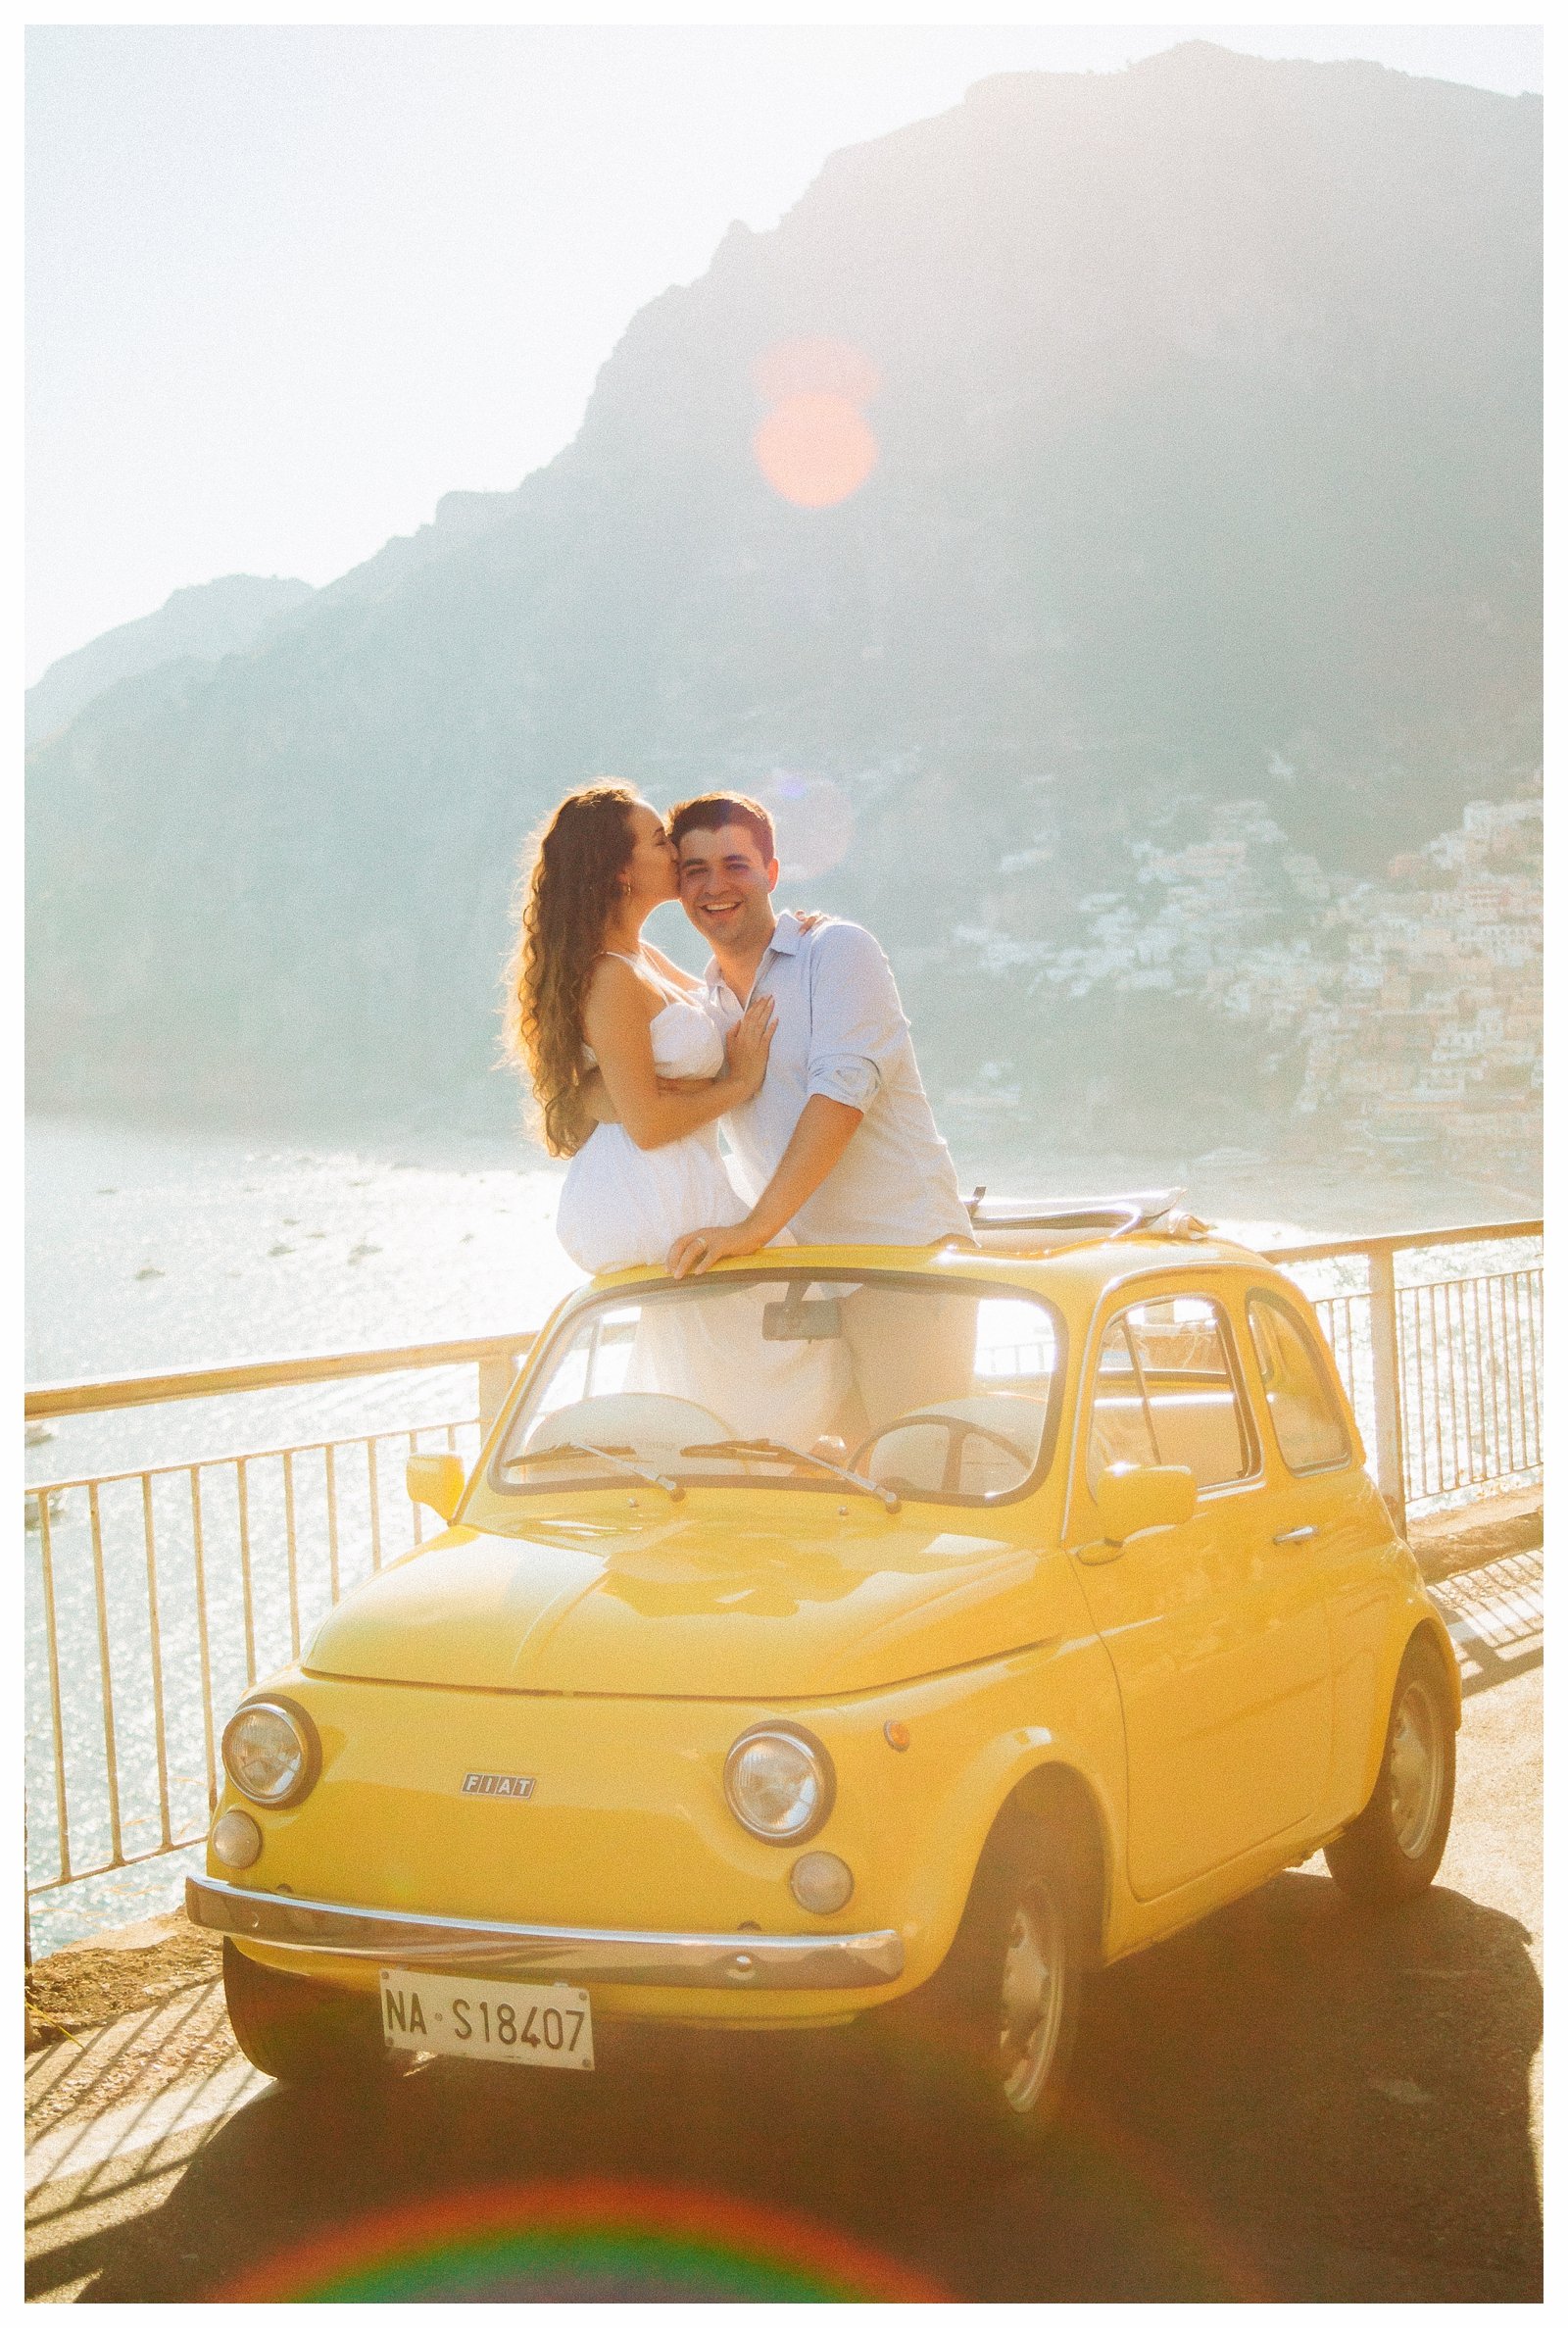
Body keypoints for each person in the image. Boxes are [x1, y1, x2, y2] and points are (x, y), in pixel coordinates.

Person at [584, 790, 978, 1440]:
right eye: (696, 870)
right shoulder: (705, 999)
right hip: (802, 1286)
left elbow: (841, 1096)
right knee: (821, 1503)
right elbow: (643, 1083)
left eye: (736, 865)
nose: (716, 885)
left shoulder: (837, 951)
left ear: (771, 872)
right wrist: (571, 1096)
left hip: (903, 1269)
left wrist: (752, 1227)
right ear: (678, 888)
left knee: (914, 1484)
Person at [503, 783, 842, 1442]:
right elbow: (650, 1121)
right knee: (753, 1356)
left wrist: (797, 935)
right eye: (660, 841)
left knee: (749, 1351)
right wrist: (740, 1082)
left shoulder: (640, 958)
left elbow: (714, 1016)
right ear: (623, 869)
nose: (675, 848)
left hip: (677, 1171)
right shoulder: (610, 977)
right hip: (650, 1181)